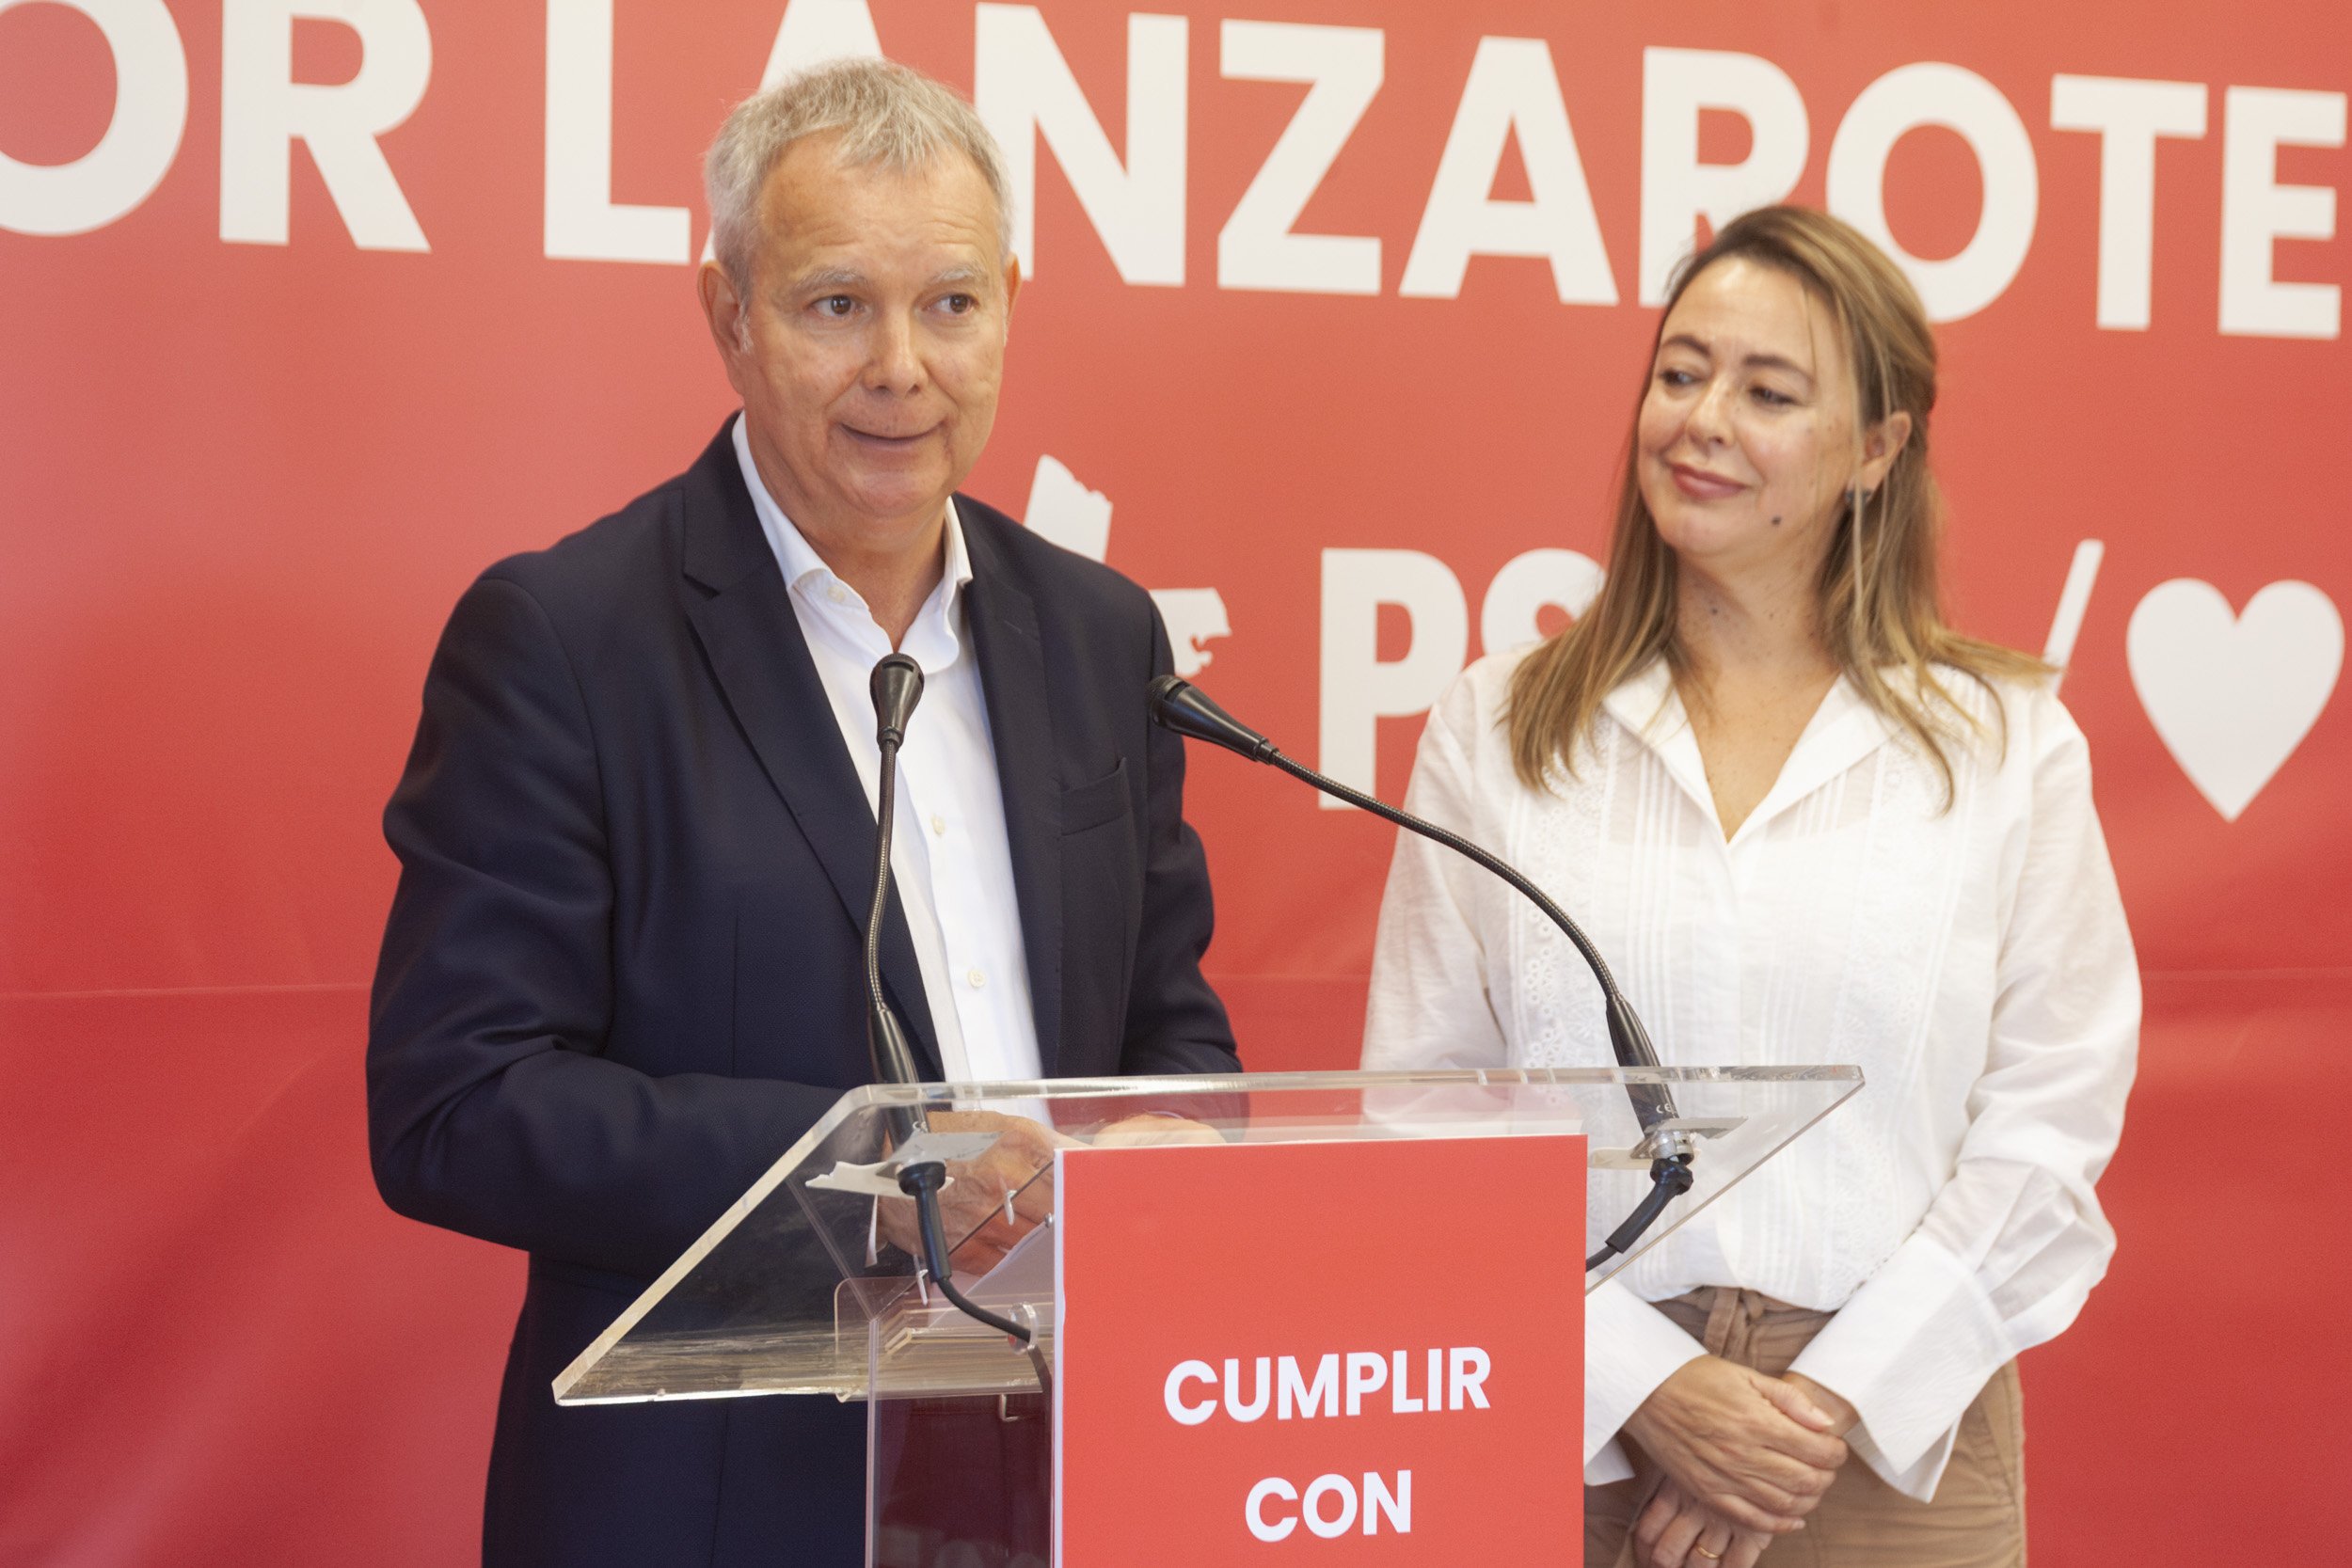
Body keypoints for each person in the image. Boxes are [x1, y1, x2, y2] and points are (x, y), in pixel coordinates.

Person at [367, 58, 1238, 1566]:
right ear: (728, 316)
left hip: (1067, 1472)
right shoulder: (567, 641)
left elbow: (1170, 1028)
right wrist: (879, 1177)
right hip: (713, 1499)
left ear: (1013, 307)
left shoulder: (1099, 635)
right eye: (839, 304)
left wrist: (1172, 1151)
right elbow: (459, 1109)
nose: (902, 364)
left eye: (952, 304)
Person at [1360, 206, 2137, 1567]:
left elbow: (2049, 1123)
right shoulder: (1494, 725)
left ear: (1879, 451)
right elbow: (1427, 1105)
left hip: (1894, 1438)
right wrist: (1646, 1388)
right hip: (1562, 1416)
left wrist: (1824, 1404)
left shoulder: (2009, 744)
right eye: (1679, 372)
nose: (1701, 419)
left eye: (1769, 392)